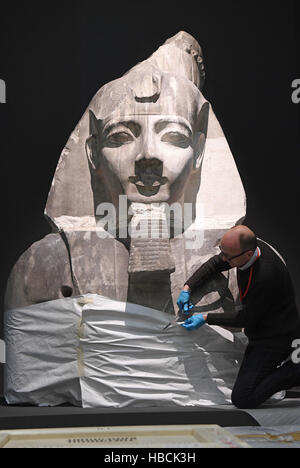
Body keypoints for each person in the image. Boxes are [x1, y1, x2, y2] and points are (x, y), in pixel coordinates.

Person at [177, 225, 300, 409]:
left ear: (247, 255)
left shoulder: (266, 275)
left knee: (244, 398)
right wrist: (187, 288)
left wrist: (204, 318)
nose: (223, 258)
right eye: (222, 252)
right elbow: (215, 264)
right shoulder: (244, 252)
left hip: (275, 338)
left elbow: (245, 319)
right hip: (260, 329)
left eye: (227, 256)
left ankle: (296, 371)